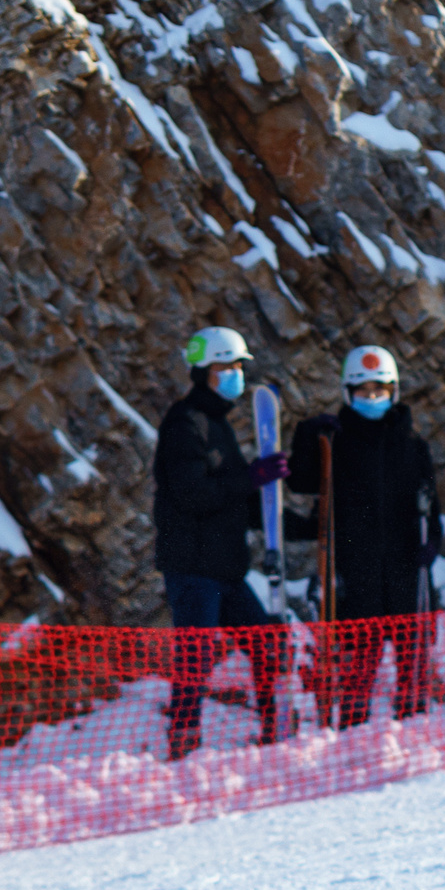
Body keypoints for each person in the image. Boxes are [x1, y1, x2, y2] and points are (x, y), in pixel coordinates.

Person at [285, 344, 441, 727]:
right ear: (348, 394)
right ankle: (354, 724)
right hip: (359, 566)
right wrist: (306, 437)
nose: (372, 399)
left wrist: (431, 543)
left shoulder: (412, 445)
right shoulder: (336, 442)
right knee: (361, 651)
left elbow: (430, 503)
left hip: (406, 563)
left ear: (393, 392)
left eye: (380, 391)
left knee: (411, 651)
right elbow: (304, 482)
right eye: (364, 392)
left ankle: (413, 719)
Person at [152, 325, 290, 760]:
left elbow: (234, 499)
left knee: (265, 643)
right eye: (225, 367)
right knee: (196, 654)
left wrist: (297, 519)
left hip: (225, 568)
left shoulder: (218, 425)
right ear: (202, 372)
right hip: (194, 568)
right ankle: (184, 740)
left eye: (237, 367)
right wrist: (250, 477)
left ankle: (274, 726)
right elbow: (193, 495)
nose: (234, 375)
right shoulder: (184, 425)